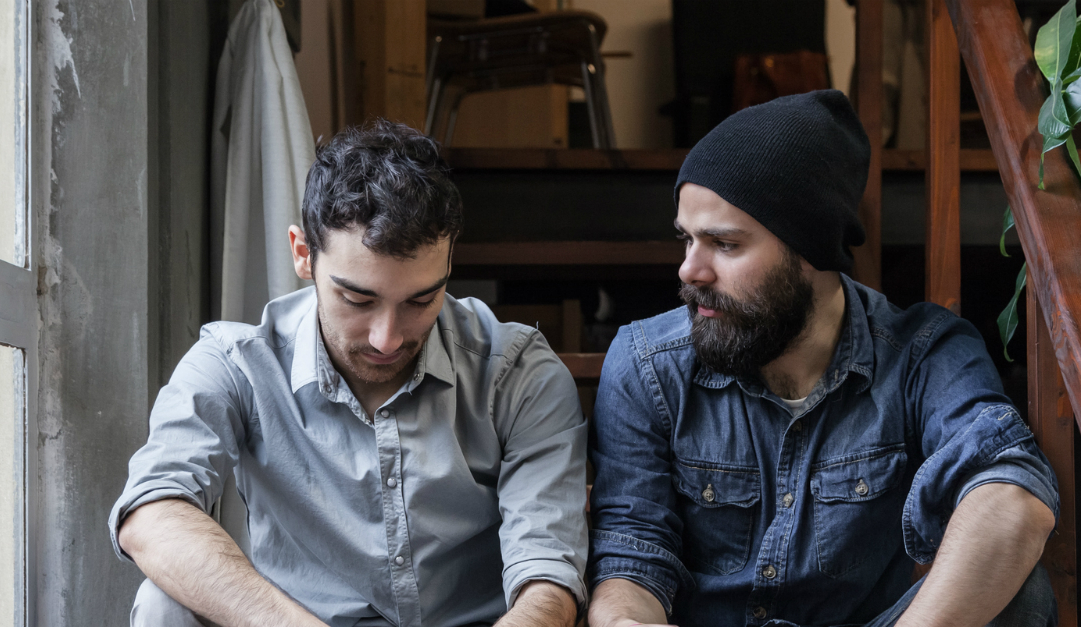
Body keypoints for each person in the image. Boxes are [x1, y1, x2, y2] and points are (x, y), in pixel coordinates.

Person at [586, 90, 1060, 627]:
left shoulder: (923, 354)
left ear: (809, 249)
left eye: (725, 244)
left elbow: (1011, 495)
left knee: (1020, 591)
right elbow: (631, 559)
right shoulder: (648, 363)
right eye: (687, 240)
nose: (689, 271)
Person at [110, 120, 587, 627]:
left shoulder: (518, 370)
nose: (388, 338)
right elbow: (152, 512)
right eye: (358, 298)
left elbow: (547, 579)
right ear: (302, 254)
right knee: (164, 604)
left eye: (422, 300)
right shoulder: (237, 364)